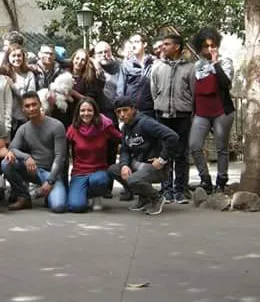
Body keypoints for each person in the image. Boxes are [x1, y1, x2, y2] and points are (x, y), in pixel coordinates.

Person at [108, 97, 179, 216]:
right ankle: (144, 197)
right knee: (113, 170)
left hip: (156, 167)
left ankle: (157, 198)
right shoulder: (125, 128)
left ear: (133, 109)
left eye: (125, 110)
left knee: (133, 179)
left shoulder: (146, 123)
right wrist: (124, 165)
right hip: (138, 164)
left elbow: (172, 136)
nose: (122, 115)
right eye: (118, 112)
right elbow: (125, 149)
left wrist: (162, 158)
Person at [1, 91, 67, 212]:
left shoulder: (57, 126)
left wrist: (50, 181)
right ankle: (24, 197)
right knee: (6, 163)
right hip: (33, 170)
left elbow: (60, 157)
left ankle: (45, 192)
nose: (31, 108)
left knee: (58, 207)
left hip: (51, 172)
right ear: (23, 109)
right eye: (27, 106)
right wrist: (26, 157)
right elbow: (12, 148)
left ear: (40, 104)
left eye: (34, 104)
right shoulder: (23, 129)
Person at [189, 27, 235, 193]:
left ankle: (221, 181)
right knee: (194, 145)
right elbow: (193, 90)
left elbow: (226, 84)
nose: (209, 49)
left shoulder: (225, 62)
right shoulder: (197, 66)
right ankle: (205, 179)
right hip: (202, 113)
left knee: (221, 148)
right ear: (200, 48)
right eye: (206, 46)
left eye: (212, 45)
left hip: (221, 112)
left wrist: (216, 63)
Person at [150, 34, 195, 204]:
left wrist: (186, 106)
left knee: (181, 153)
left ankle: (180, 190)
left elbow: (193, 92)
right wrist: (160, 103)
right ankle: (166, 190)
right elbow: (154, 90)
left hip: (182, 115)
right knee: (164, 153)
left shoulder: (190, 68)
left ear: (177, 47)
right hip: (162, 115)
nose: (163, 47)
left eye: (167, 44)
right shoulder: (157, 67)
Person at [66, 97, 122, 212]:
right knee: (76, 207)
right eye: (82, 110)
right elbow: (62, 148)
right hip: (79, 173)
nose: (86, 113)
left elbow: (121, 138)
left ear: (95, 111)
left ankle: (96, 197)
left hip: (99, 171)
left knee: (99, 180)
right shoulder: (73, 129)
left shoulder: (105, 127)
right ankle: (84, 195)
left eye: (89, 110)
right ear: (78, 112)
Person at [93, 40, 123, 199]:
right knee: (96, 151)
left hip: (113, 114)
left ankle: (107, 188)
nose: (104, 55)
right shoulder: (90, 66)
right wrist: (94, 62)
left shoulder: (119, 66)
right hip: (93, 114)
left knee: (111, 151)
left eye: (107, 51)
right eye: (100, 52)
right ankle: (95, 186)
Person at [0, 43, 36, 137]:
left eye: (19, 55)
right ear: (8, 57)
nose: (17, 58)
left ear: (23, 57)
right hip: (5, 117)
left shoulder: (29, 74)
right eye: (13, 55)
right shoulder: (2, 74)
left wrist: (13, 86)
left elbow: (30, 97)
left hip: (22, 117)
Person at [117, 33, 155, 117]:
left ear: (144, 44)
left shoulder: (154, 63)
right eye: (131, 42)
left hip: (150, 110)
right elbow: (120, 89)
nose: (133, 45)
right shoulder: (126, 65)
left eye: (136, 42)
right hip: (131, 111)